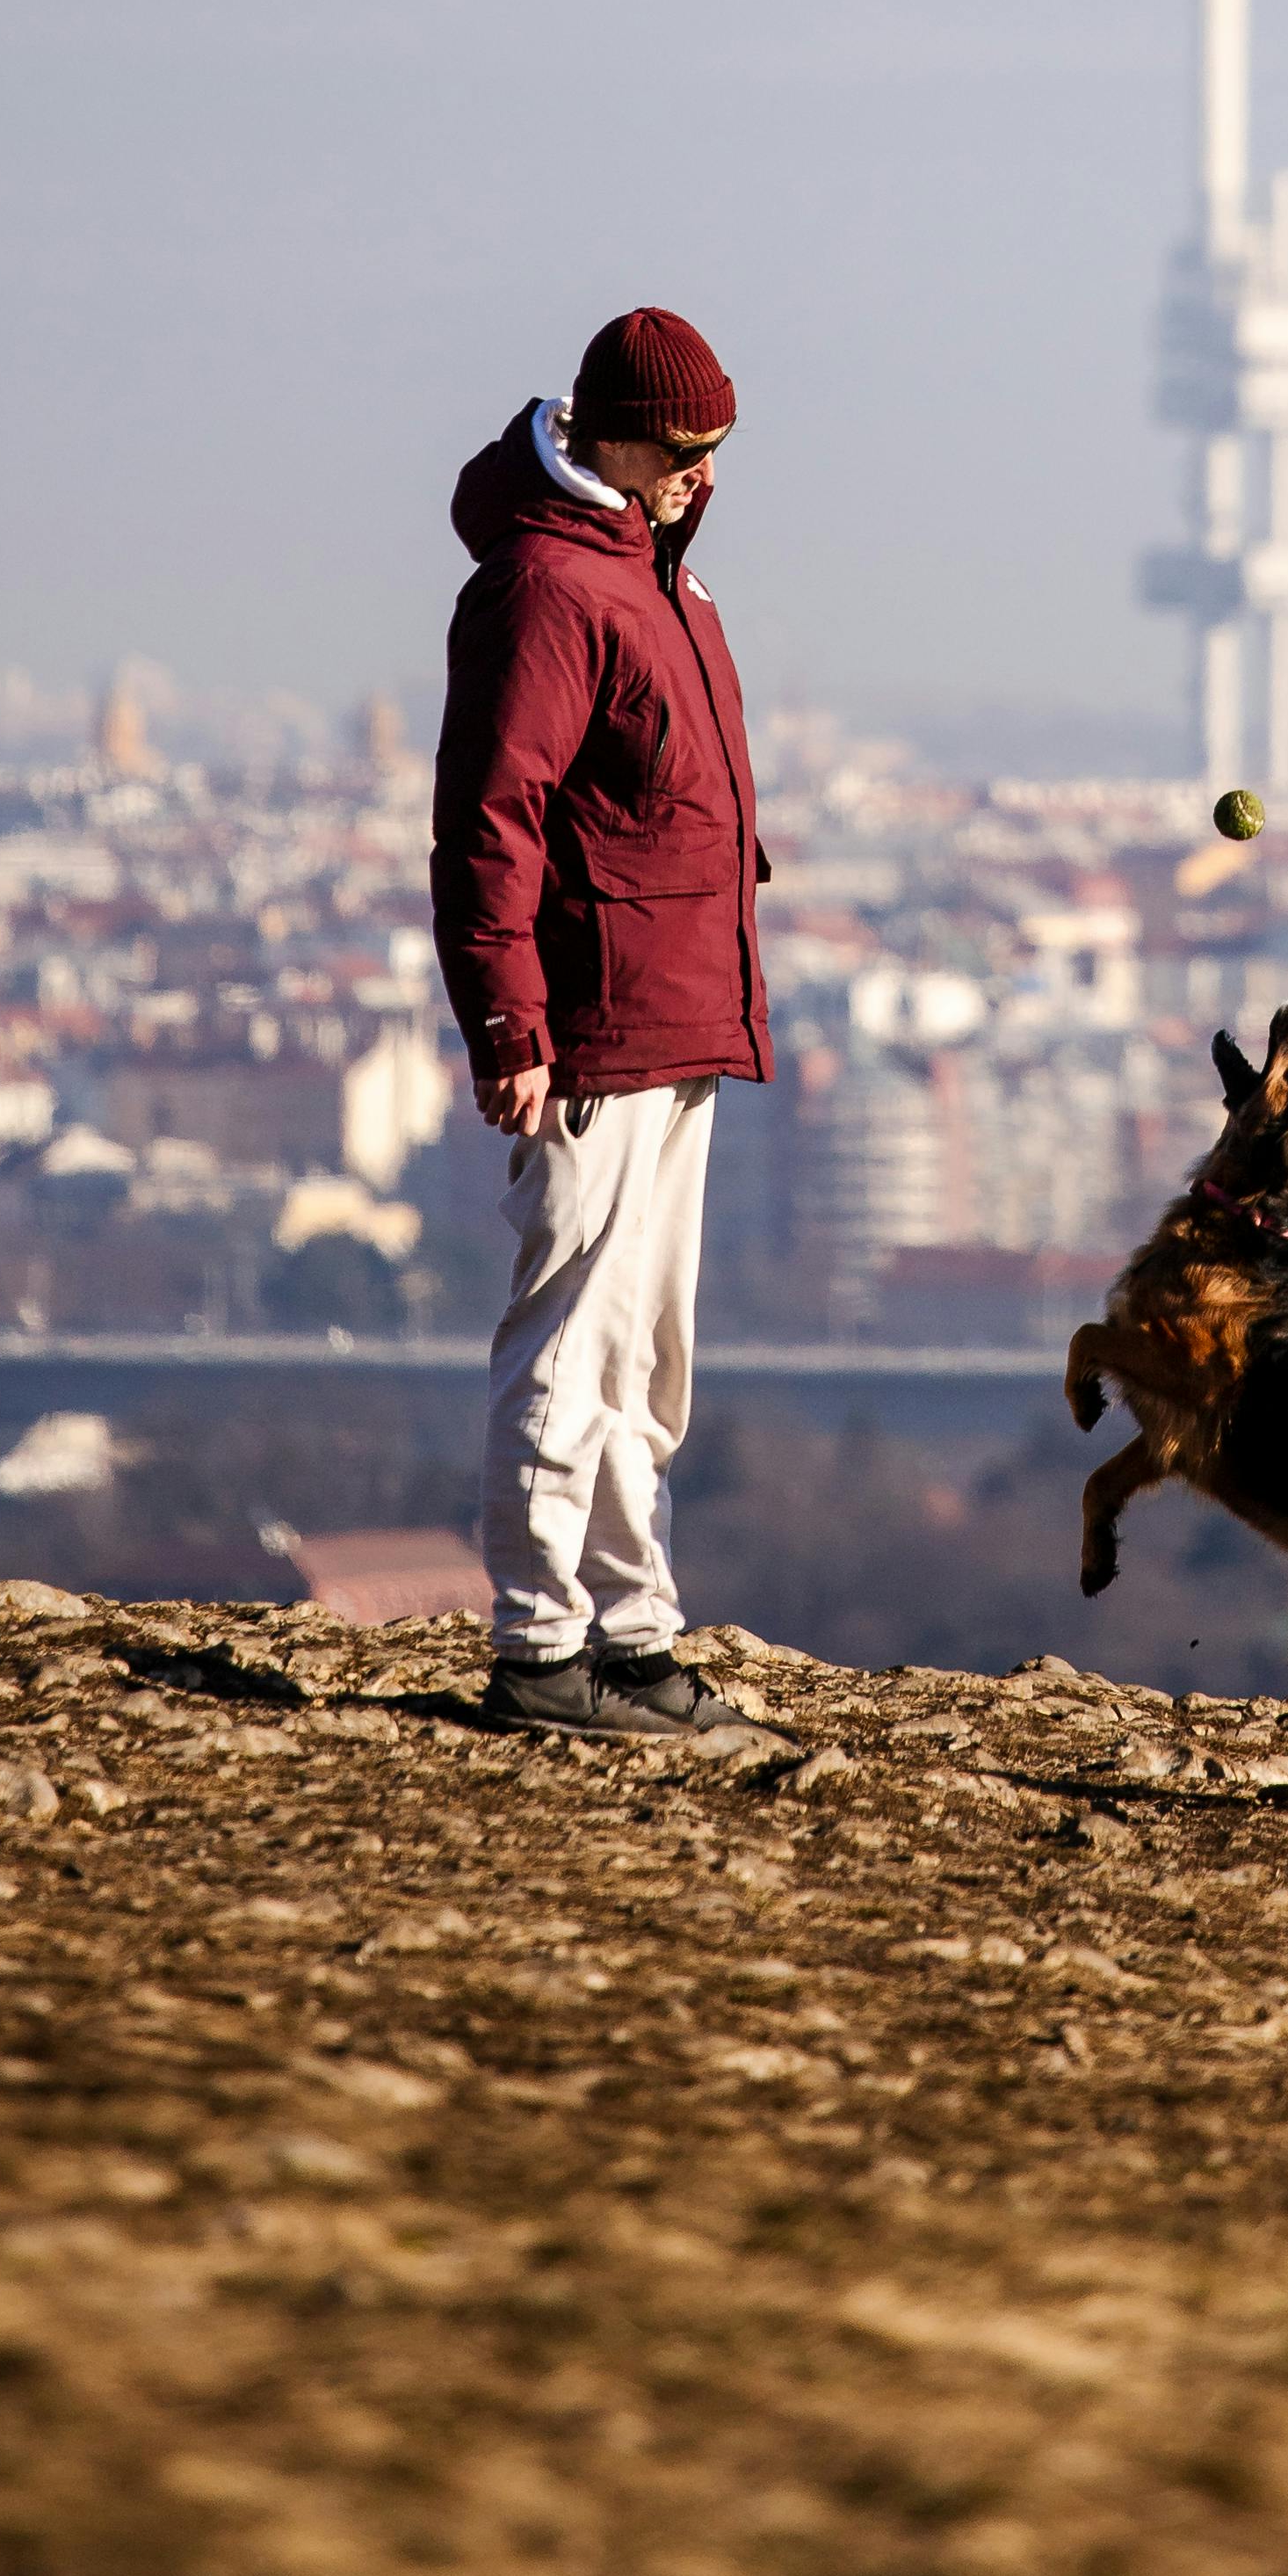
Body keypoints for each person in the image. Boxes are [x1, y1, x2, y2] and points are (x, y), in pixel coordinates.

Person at [429, 303, 771, 1738]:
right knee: (570, 1347)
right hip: (589, 1026)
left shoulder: (660, 581)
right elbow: (489, 820)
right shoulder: (551, 587)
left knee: (644, 1359)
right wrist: (508, 1021)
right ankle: (538, 1646)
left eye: (719, 447)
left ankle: (633, 1634)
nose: (705, 470)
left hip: (677, 1020)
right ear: (609, 435)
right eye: (684, 446)